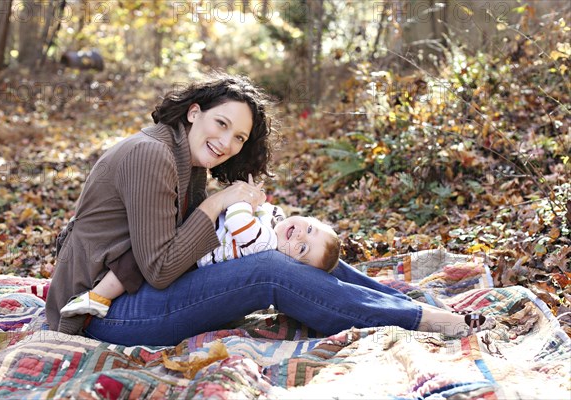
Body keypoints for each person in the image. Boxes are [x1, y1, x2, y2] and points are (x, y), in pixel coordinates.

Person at [46, 72, 491, 346]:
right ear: (193, 112)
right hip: (99, 312)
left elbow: (191, 240)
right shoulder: (152, 155)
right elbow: (161, 268)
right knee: (271, 270)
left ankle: (400, 302)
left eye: (239, 137)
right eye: (221, 124)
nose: (226, 143)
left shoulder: (187, 158)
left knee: (300, 243)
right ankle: (417, 319)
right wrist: (222, 201)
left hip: (135, 289)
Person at [59, 194, 341, 319]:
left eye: (302, 248)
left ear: (291, 262)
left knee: (138, 261)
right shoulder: (275, 220)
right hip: (197, 235)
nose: (301, 235)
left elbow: (238, 220)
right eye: (310, 228)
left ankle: (99, 296)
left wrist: (242, 199)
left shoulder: (264, 242)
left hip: (195, 257)